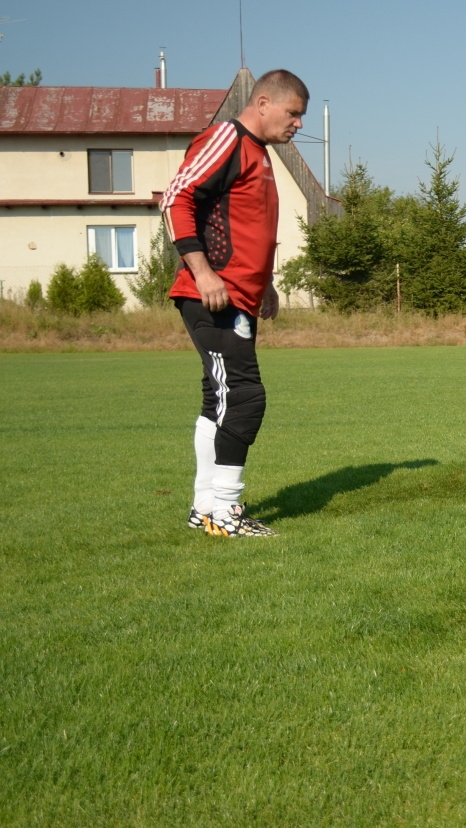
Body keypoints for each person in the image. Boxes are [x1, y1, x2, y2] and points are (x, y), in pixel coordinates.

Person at [162, 69, 309, 536]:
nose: (299, 124)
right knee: (245, 398)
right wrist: (203, 272)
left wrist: (265, 284)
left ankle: (205, 506)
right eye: (294, 114)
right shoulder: (226, 136)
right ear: (263, 103)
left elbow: (247, 228)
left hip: (241, 296)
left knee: (220, 401)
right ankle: (226, 512)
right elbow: (175, 198)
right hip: (211, 295)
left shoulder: (259, 154)